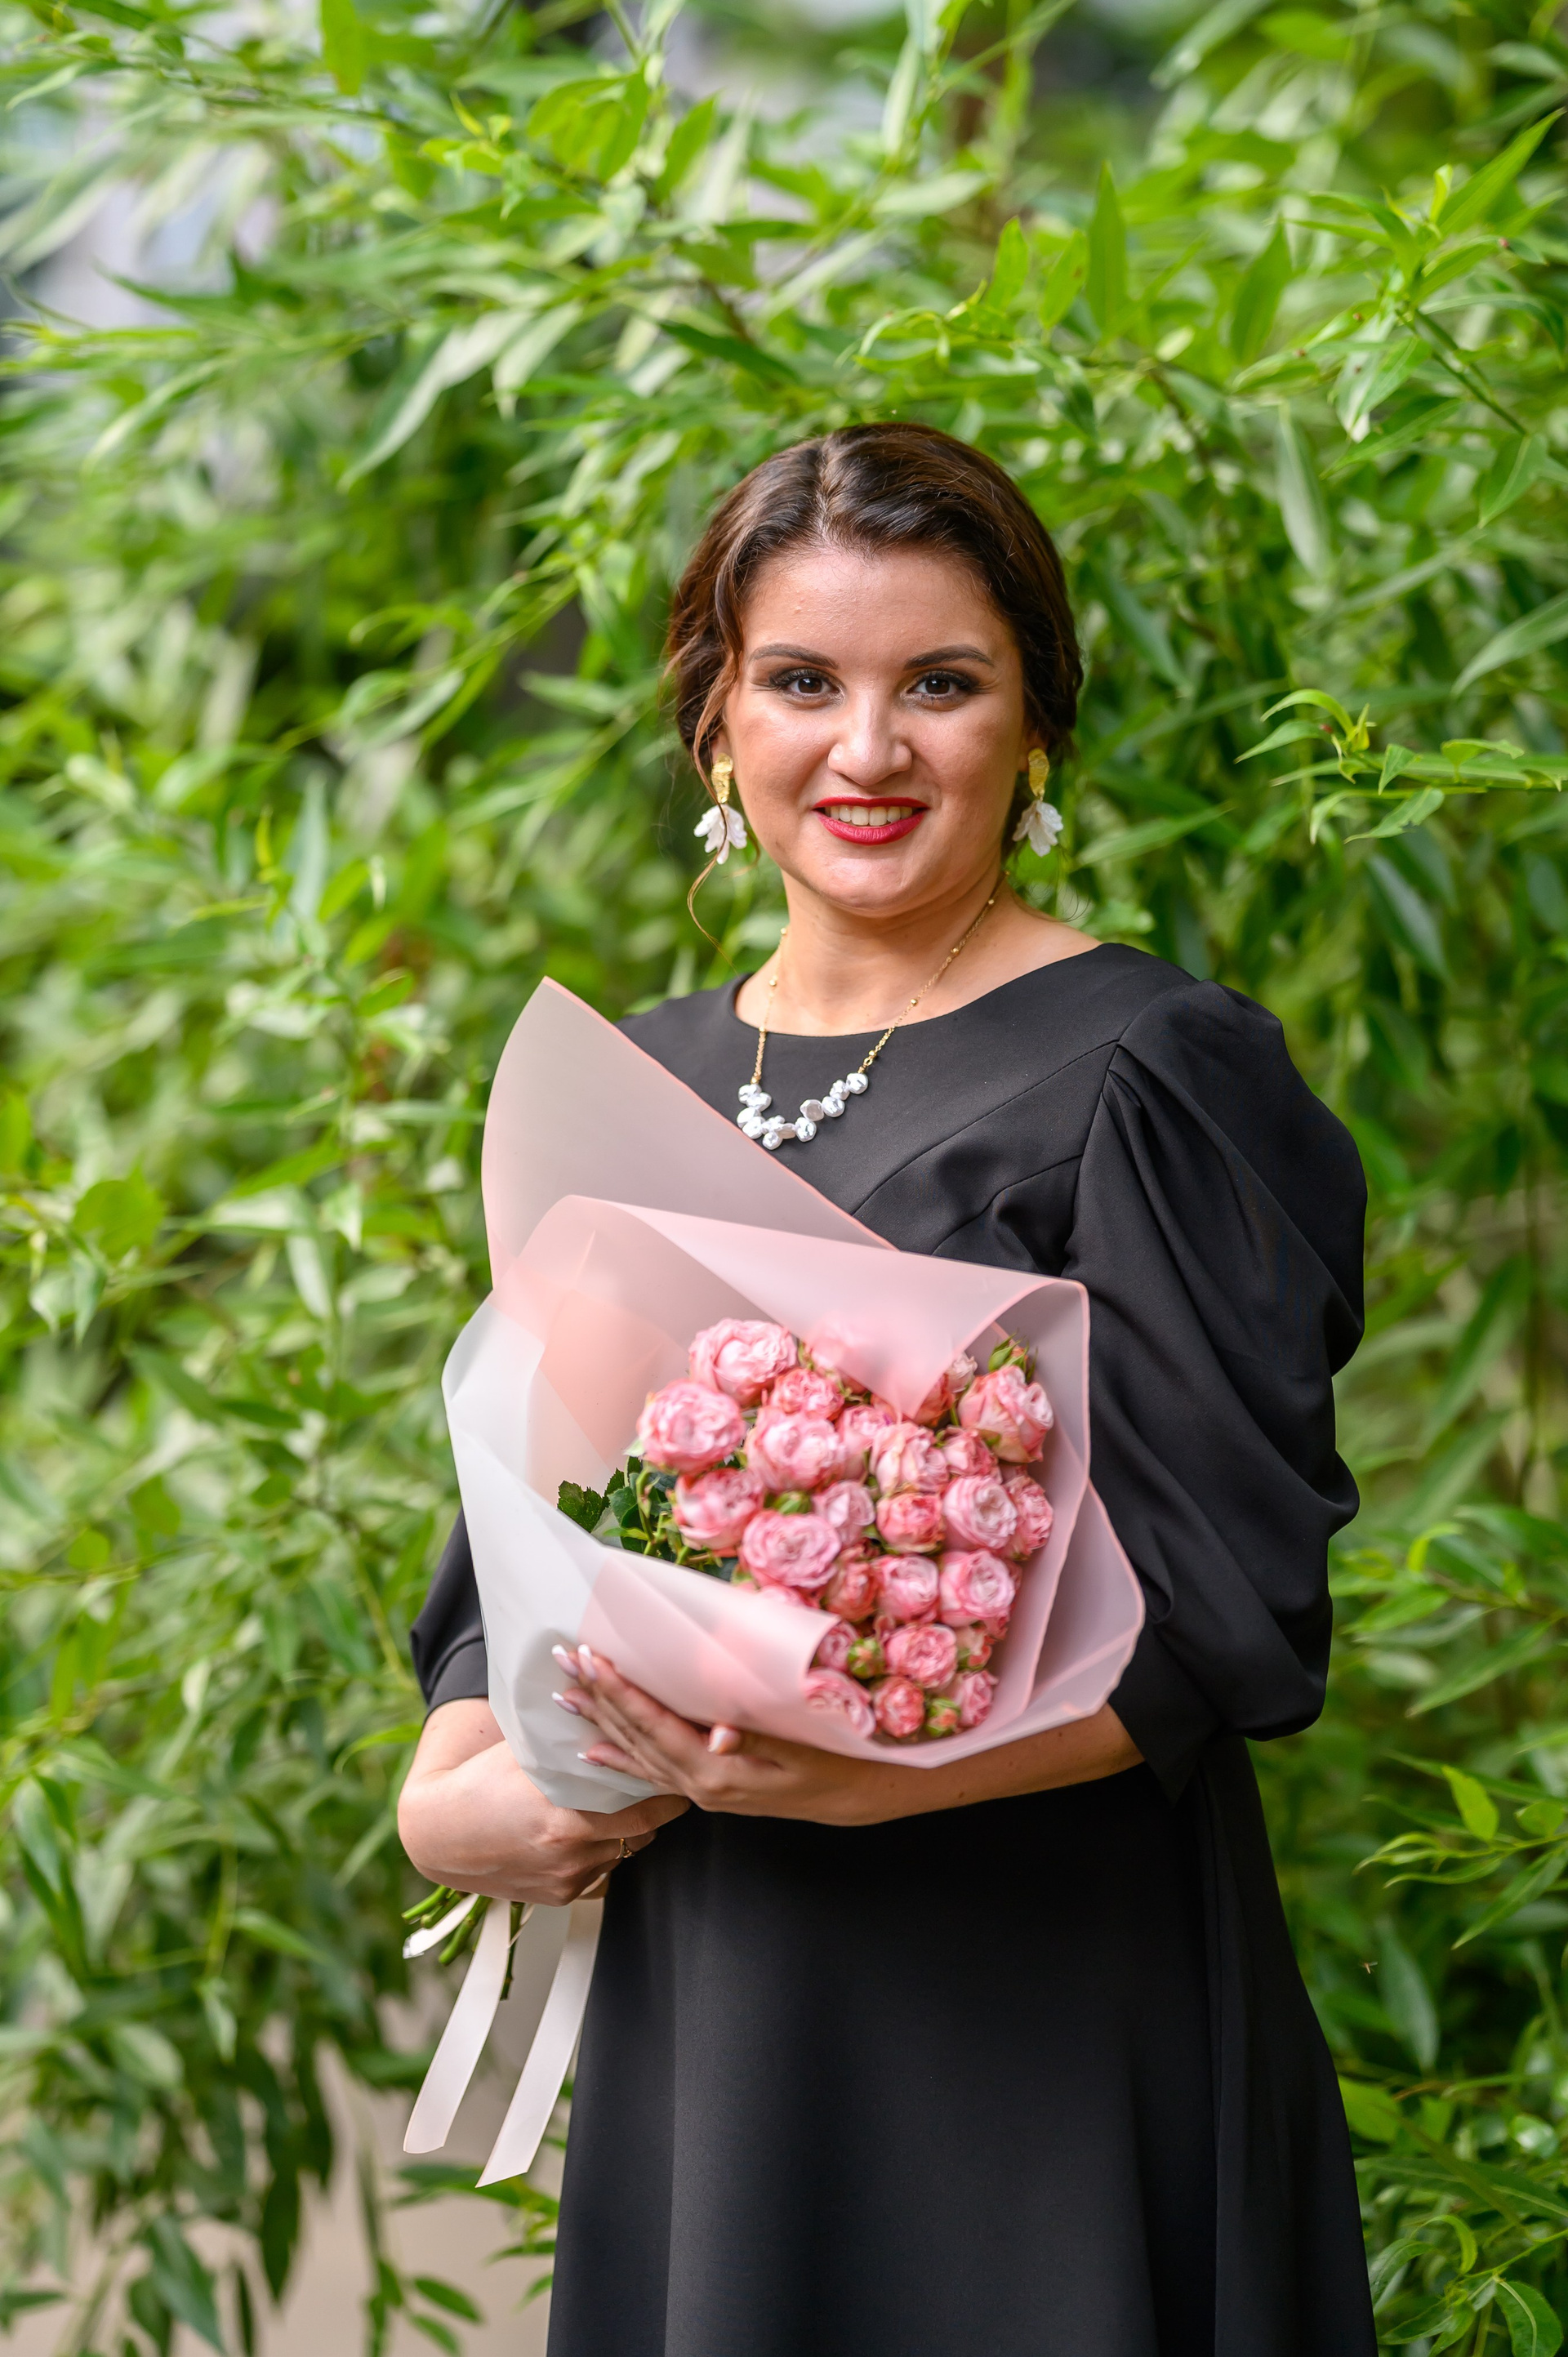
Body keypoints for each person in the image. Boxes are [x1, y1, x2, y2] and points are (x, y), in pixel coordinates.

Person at [398, 423, 1375, 2357]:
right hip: (715, 1993)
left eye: (941, 683)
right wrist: (458, 1798)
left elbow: (1228, 1615)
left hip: (1038, 1996)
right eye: (801, 683)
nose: (869, 749)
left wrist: (860, 1783)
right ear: (714, 724)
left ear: (1036, 723)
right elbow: (523, 1548)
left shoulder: (1152, 1068)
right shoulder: (629, 1082)